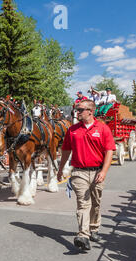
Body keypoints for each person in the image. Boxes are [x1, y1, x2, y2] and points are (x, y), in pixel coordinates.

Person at [57, 100, 116, 252]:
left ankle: (94, 229)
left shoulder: (102, 129)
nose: (77, 112)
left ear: (90, 111)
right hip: (79, 172)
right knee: (83, 203)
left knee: (96, 203)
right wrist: (61, 168)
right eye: (77, 109)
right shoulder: (73, 130)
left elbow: (109, 151)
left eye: (81, 109)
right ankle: (83, 235)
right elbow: (65, 151)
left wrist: (103, 171)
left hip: (97, 171)